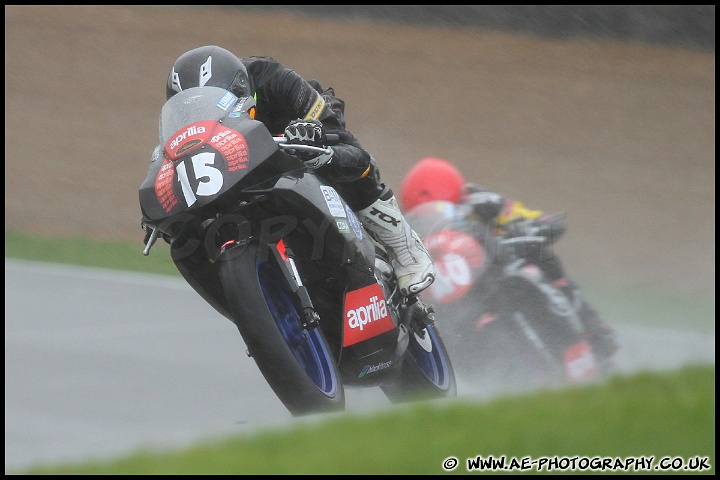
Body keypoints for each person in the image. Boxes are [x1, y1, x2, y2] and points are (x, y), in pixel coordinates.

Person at [157, 45, 435, 297]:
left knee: (351, 158)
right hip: (236, 167)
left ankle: (403, 246)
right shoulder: (183, 119)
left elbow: (335, 131)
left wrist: (314, 136)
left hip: (299, 132)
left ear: (243, 89)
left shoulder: (272, 78)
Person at [399, 157, 618, 362]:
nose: (429, 227)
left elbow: (549, 223)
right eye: (419, 220)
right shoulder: (404, 231)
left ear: (460, 202)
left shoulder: (484, 202)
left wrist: (525, 229)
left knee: (538, 262)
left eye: (435, 215)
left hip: (494, 273)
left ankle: (589, 325)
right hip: (453, 301)